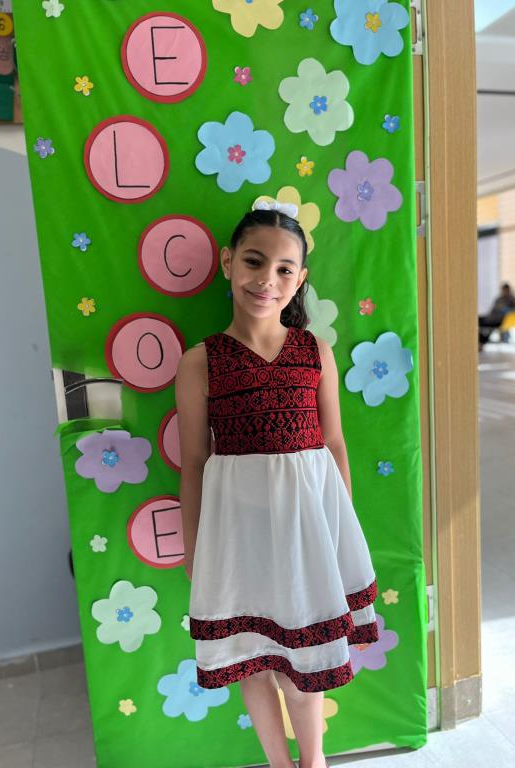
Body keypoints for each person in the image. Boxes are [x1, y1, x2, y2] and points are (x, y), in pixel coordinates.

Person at [175, 202, 379, 768]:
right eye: (254, 261)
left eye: (284, 268)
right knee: (254, 661)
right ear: (227, 263)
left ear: (300, 278)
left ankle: (312, 762)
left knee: (303, 666)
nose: (267, 279)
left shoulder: (314, 351)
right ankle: (278, 763)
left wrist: (339, 535)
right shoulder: (200, 362)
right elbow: (193, 461)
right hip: (237, 535)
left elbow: (333, 444)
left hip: (308, 535)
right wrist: (195, 547)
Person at [479, 282, 515, 348]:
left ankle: (481, 343)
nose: (504, 292)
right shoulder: (499, 299)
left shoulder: (512, 300)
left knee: (484, 328)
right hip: (491, 319)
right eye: (503, 290)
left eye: (506, 290)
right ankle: (481, 342)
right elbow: (493, 310)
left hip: (499, 321)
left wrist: (506, 310)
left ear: (508, 290)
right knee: (479, 322)